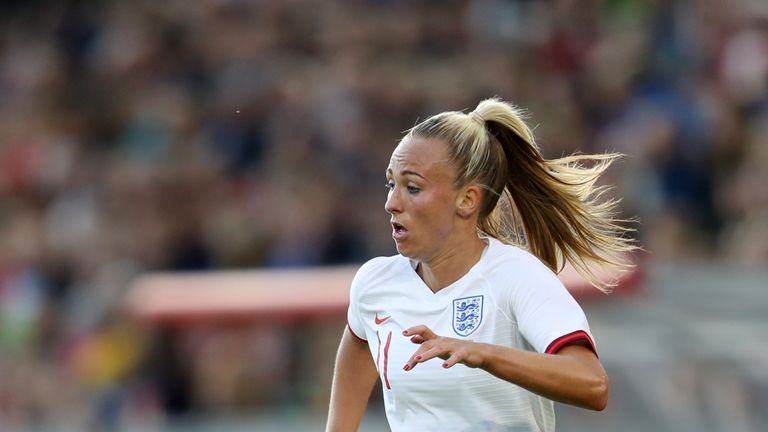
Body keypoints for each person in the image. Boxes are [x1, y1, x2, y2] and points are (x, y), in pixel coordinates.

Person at [326, 98, 636, 431]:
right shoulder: (375, 285)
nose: (391, 203)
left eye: (412, 187)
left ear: (467, 200)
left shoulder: (516, 276)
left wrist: (484, 354)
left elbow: (593, 384)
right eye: (391, 184)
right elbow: (359, 343)